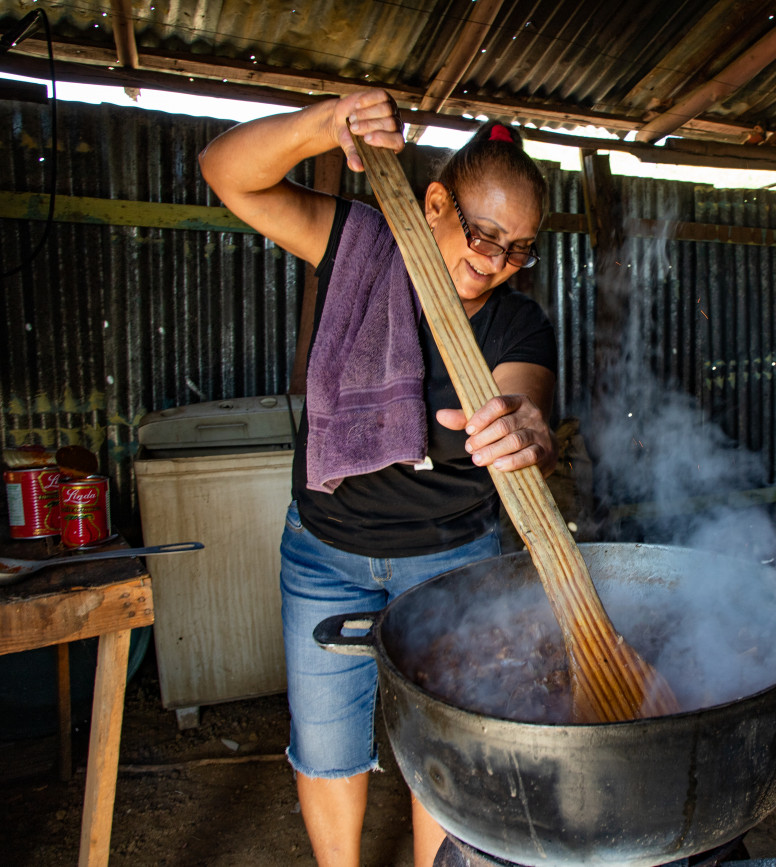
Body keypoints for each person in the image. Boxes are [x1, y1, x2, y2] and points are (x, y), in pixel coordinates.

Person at [198, 89, 558, 867]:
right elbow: (225, 171)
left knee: (447, 741)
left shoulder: (516, 322)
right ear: (435, 203)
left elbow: (526, 397)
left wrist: (526, 425)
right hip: (326, 553)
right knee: (326, 743)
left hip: (452, 561)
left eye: (519, 248)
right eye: (484, 232)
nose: (496, 260)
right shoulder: (360, 249)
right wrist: (320, 125)